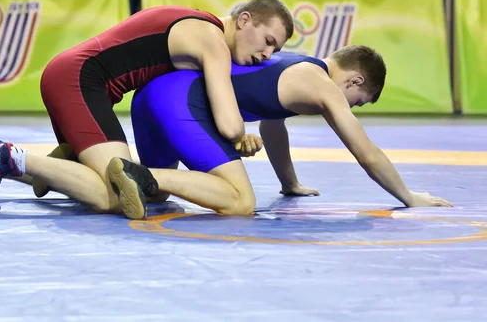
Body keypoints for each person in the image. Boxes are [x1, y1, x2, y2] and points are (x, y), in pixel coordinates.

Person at [0, 0, 293, 212]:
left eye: (275, 51)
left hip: (76, 77)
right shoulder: (213, 40)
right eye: (267, 41)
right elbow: (230, 123)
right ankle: (6, 156)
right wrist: (241, 138)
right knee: (111, 195)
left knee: (138, 185)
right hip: (80, 80)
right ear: (245, 19)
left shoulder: (197, 20)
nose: (266, 55)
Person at [107, 45, 452, 219]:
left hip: (152, 95)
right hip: (179, 101)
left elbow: (272, 126)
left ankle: (79, 167)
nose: (349, 107)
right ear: (355, 80)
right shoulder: (321, 85)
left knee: (153, 196)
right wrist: (408, 197)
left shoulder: (293, 62)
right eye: (356, 101)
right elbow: (366, 152)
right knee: (240, 202)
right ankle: (141, 172)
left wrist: (289, 183)